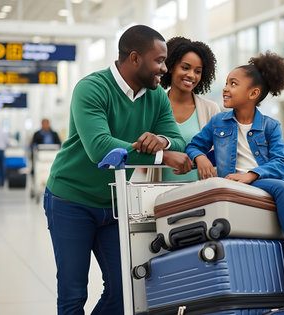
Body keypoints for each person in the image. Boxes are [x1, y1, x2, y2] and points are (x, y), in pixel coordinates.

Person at [44, 25, 193, 315]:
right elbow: (102, 149)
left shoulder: (157, 97)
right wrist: (163, 156)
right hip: (71, 200)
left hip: (115, 205)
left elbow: (179, 141)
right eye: (159, 60)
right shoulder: (91, 88)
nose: (164, 68)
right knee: (73, 293)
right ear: (135, 58)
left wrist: (161, 140)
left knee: (125, 289)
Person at [185, 52, 284, 302]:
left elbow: (281, 163)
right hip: (248, 182)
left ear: (253, 94)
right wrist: (201, 158)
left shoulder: (271, 126)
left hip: (263, 177)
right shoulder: (219, 122)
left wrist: (252, 174)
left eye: (233, 84)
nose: (226, 89)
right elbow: (194, 145)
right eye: (227, 83)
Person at [146, 36, 220, 182]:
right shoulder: (152, 106)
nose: (191, 75)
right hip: (159, 194)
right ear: (171, 66)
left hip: (201, 193)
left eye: (197, 71)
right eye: (185, 68)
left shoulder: (211, 109)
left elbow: (220, 153)